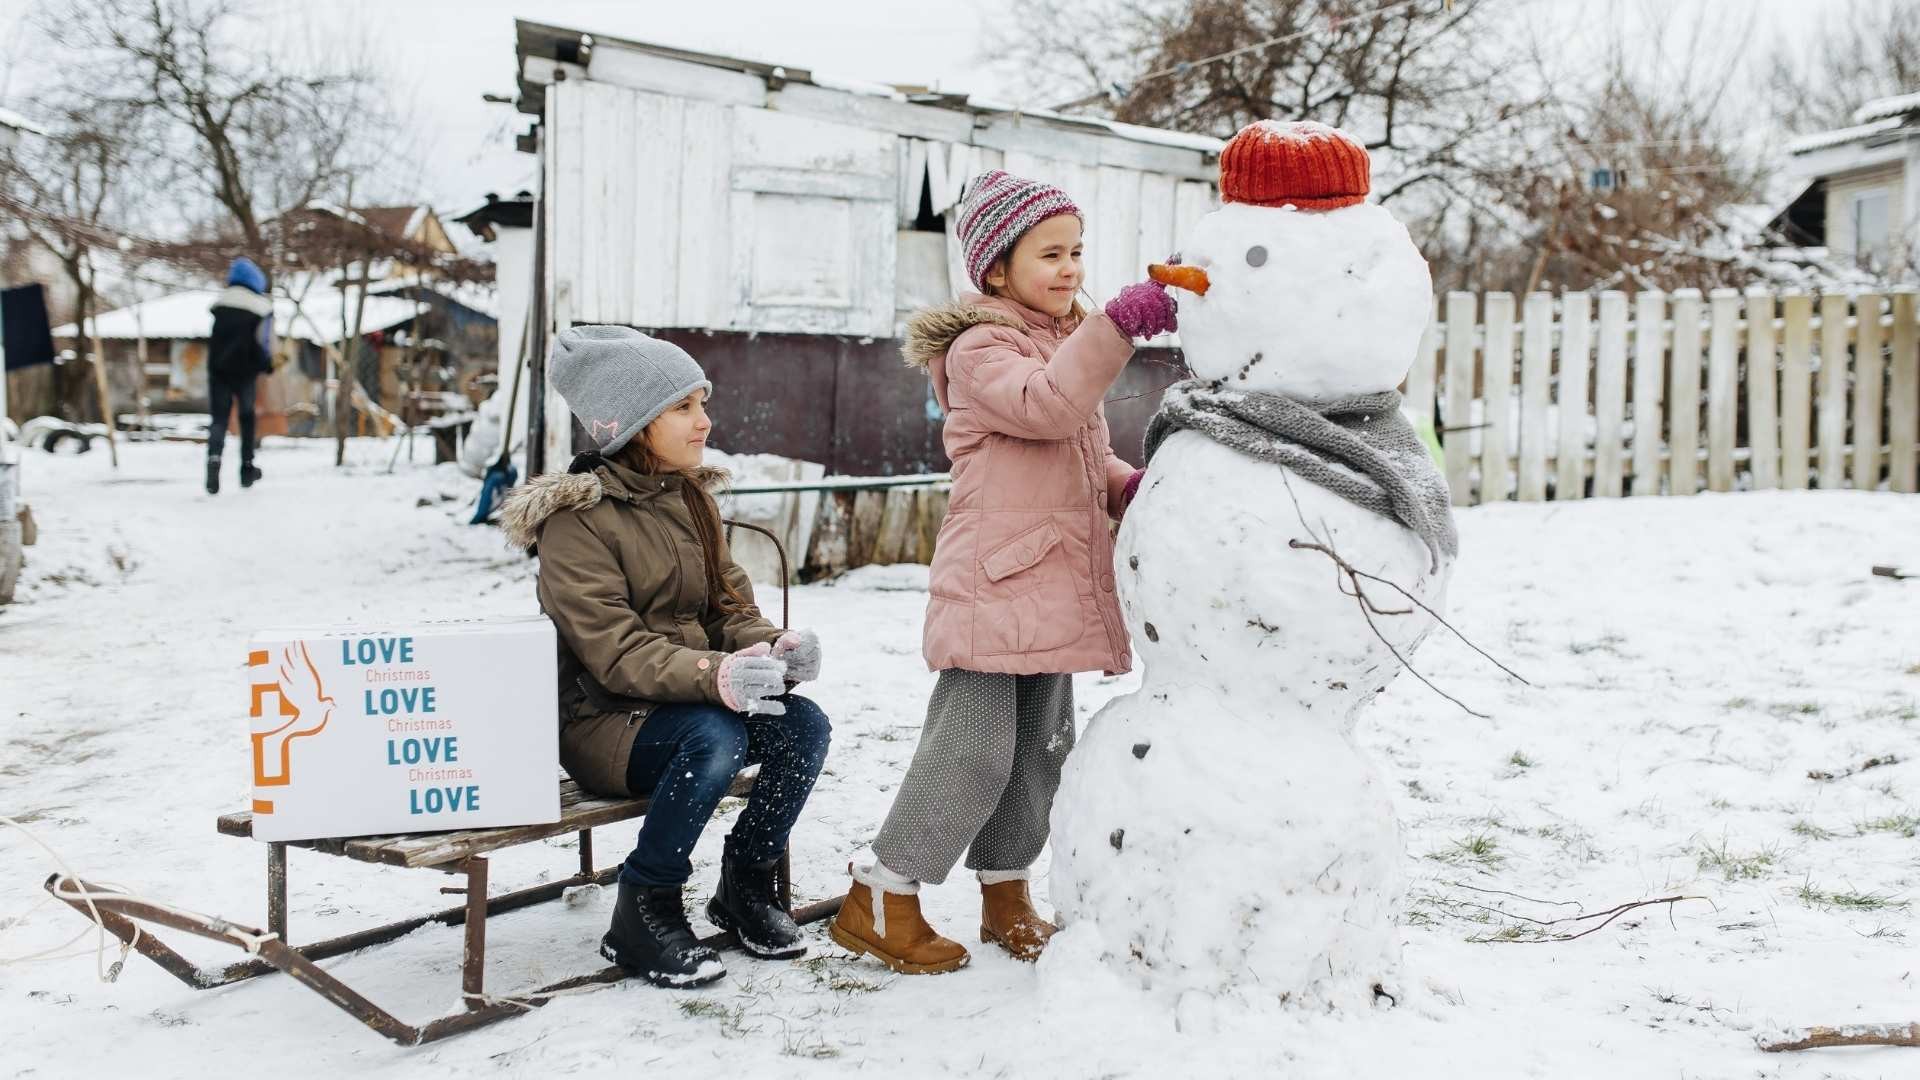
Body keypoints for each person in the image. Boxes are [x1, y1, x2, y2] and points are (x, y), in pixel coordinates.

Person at [827, 170, 1176, 973]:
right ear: (994, 269)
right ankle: (882, 893)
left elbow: (1079, 449)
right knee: (973, 751)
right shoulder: (980, 347)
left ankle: (1005, 891)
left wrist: (1132, 486)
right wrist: (1118, 326)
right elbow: (1047, 407)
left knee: (1038, 751)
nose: (1070, 268)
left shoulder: (1057, 340)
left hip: (1051, 584)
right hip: (997, 586)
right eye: (1049, 253)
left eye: (1077, 251)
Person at [500, 327, 832, 988]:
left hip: (691, 702)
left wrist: (768, 645)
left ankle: (745, 881)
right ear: (630, 423)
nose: (704, 420)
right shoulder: (576, 523)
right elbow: (614, 652)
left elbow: (726, 607)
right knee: (714, 737)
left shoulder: (688, 499)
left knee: (803, 725)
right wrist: (718, 676)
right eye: (683, 406)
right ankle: (643, 909)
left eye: (701, 403)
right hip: (606, 725)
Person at [205, 257, 273, 494]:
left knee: (219, 420)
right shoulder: (260, 306)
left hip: (218, 369)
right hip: (245, 371)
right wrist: (267, 363)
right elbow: (263, 341)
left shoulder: (220, 303)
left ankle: (213, 460)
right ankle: (246, 468)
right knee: (246, 418)